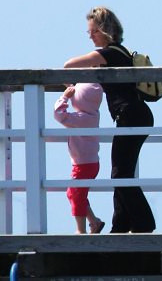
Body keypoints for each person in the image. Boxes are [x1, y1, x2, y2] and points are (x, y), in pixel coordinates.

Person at [64, 7, 156, 233]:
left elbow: (68, 65)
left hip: (130, 115)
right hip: (136, 114)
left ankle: (144, 223)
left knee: (120, 173)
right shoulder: (121, 52)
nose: (91, 36)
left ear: (104, 30)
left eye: (93, 31)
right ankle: (121, 225)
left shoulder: (108, 54)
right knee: (121, 170)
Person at [53, 83, 106, 234]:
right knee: (74, 193)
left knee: (76, 195)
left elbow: (59, 115)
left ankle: (80, 230)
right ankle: (94, 222)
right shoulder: (92, 114)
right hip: (87, 163)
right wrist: (72, 87)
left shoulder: (82, 118)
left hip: (84, 165)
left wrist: (64, 97)